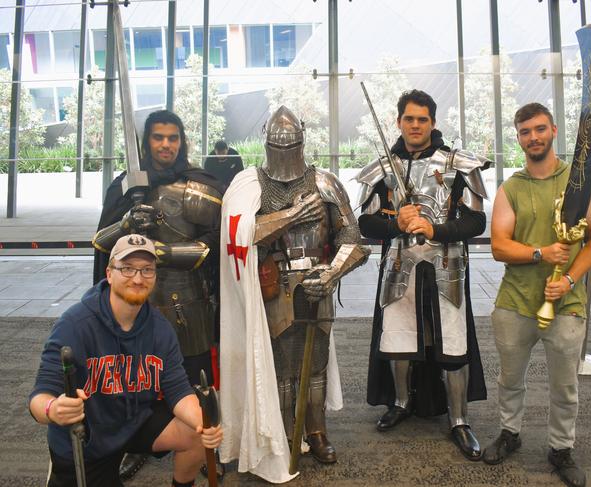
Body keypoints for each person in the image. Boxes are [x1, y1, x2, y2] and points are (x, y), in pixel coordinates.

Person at [218, 105, 369, 482]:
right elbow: (242, 235)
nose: (284, 155)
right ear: (265, 143)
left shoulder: (326, 183)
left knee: (315, 364)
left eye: (291, 146)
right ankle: (285, 433)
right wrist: (292, 215)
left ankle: (316, 431)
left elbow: (352, 238)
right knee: (281, 367)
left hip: (318, 283)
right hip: (273, 286)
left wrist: (332, 272)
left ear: (302, 141)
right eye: (276, 146)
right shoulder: (249, 186)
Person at [356, 89, 489, 460]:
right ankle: (400, 402)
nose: (415, 125)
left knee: (453, 341)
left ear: (432, 122)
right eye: (409, 119)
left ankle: (459, 419)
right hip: (399, 265)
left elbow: (476, 222)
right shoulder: (383, 168)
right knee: (398, 336)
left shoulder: (457, 164)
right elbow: (365, 222)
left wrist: (437, 231)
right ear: (399, 122)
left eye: (423, 119)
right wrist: (395, 223)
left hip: (447, 264)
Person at [29, 234, 223, 487]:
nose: (138, 278)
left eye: (146, 270)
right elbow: (39, 397)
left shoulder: (160, 328)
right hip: (88, 441)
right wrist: (53, 409)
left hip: (134, 422)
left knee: (194, 432)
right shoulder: (74, 325)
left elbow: (178, 391)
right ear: (109, 274)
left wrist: (204, 424)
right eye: (127, 269)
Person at [92, 109, 222, 480]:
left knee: (197, 378)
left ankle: (204, 445)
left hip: (188, 298)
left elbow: (218, 243)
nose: (166, 145)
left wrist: (167, 254)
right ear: (146, 142)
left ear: (181, 141)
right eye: (158, 138)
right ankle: (132, 444)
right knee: (131, 376)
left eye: (173, 138)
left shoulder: (198, 185)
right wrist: (127, 223)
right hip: (134, 298)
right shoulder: (125, 187)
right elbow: (102, 242)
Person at [483, 103, 591, 487]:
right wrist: (541, 253)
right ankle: (509, 433)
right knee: (509, 378)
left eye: (538, 129)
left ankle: (561, 448)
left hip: (565, 303)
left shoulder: (580, 182)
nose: (532, 137)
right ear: (518, 138)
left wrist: (568, 281)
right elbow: (499, 246)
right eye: (524, 132)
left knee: (565, 385)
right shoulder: (512, 188)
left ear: (553, 130)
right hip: (515, 302)